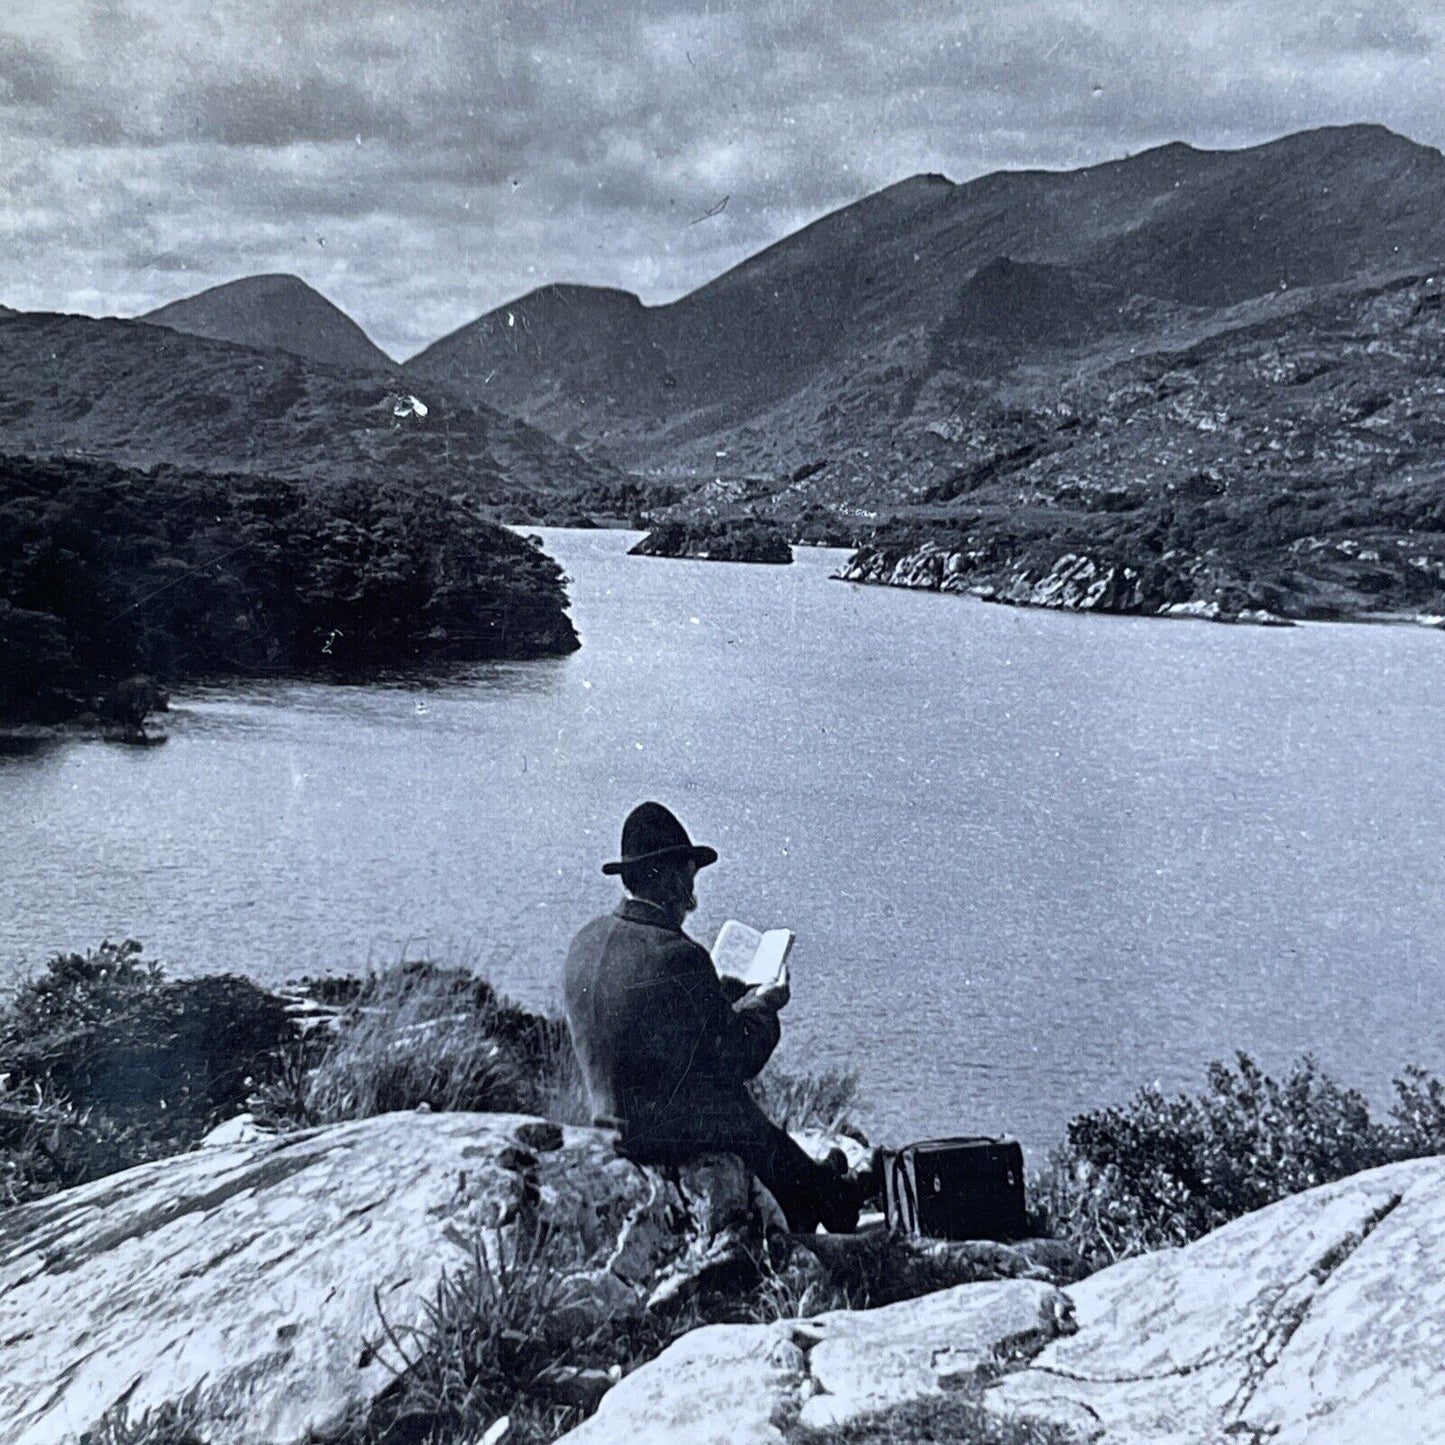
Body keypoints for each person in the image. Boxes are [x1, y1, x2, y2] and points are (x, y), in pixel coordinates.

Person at [564, 800, 875, 1233]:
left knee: (720, 1099)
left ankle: (819, 1184)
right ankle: (829, 1197)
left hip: (609, 1119)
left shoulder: (587, 940)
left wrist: (721, 993)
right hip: (657, 1135)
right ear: (669, 877)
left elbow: (653, 1018)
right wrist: (765, 1003)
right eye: (688, 873)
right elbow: (739, 1057)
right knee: (731, 1105)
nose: (693, 887)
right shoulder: (677, 957)